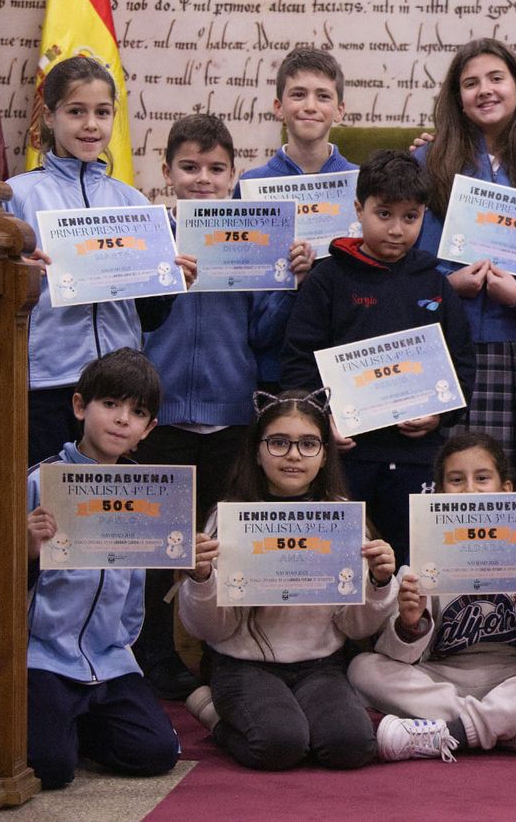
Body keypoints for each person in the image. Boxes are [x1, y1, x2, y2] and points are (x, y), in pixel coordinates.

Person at [134, 113, 309, 700]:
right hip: (158, 419)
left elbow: (264, 335)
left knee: (224, 544)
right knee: (158, 549)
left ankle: (224, 657)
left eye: (215, 169)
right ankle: (152, 656)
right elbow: (130, 323)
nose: (202, 179)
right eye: (189, 168)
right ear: (166, 173)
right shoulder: (150, 232)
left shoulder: (254, 235)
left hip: (232, 415)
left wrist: (288, 282)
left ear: (235, 175)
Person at [177, 390, 398, 770]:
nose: (294, 455)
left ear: (325, 453)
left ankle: (294, 716)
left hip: (321, 665)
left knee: (352, 746)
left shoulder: (343, 518)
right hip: (242, 665)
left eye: (308, 444)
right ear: (257, 451)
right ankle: (211, 711)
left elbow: (353, 624)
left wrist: (379, 584)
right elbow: (209, 629)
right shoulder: (230, 517)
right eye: (279, 443)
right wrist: (201, 579)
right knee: (279, 745)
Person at [349, 432, 516, 761]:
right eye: (456, 480)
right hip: (443, 680)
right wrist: (410, 624)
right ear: (438, 492)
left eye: (482, 478)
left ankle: (455, 733)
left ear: (505, 489)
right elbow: (399, 656)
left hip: (514, 677)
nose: (469, 490)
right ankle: (508, 728)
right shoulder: (421, 561)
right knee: (362, 668)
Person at [281, 150, 476, 563]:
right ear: (358, 208)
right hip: (345, 457)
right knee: (342, 564)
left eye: (410, 217)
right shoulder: (327, 280)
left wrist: (439, 415)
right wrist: (321, 420)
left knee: (412, 567)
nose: (396, 229)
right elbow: (299, 362)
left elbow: (462, 368)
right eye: (383, 214)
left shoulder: (436, 285)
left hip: (417, 460)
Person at [8, 56, 195, 463]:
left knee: (105, 512)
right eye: (77, 111)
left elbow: (148, 318)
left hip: (117, 389)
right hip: (47, 384)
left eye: (102, 112)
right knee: (48, 508)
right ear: (50, 116)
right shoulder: (18, 195)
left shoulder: (132, 202)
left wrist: (171, 284)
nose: (91, 124)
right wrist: (18, 275)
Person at [415, 39, 516, 486]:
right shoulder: (427, 160)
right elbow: (411, 264)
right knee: (443, 479)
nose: (485, 90)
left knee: (501, 480)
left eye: (496, 78)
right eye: (470, 83)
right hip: (443, 342)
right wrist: (449, 285)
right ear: (457, 100)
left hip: (510, 348)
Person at [25, 348, 181, 789]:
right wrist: (28, 549)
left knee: (157, 753)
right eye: (109, 404)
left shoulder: (151, 493)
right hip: (43, 656)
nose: (120, 420)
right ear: (80, 407)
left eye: (136, 412)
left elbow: (136, 590)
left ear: (148, 430)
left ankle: (82, 724)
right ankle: (60, 725)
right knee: (49, 768)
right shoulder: (40, 482)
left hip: (111, 660)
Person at [238, 47, 358, 389]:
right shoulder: (252, 186)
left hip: (345, 360)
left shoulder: (361, 183)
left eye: (323, 96)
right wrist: (292, 280)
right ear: (279, 107)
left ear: (340, 110)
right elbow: (247, 288)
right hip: (272, 361)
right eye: (298, 94)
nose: (310, 106)